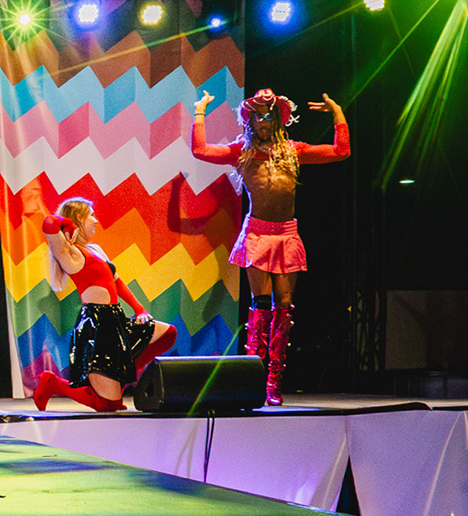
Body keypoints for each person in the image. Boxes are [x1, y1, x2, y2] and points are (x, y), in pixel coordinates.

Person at [191, 87, 348, 404]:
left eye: (269, 115)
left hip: (286, 234)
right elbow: (200, 150)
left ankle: (274, 382)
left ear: (277, 119)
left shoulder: (293, 150)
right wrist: (200, 111)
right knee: (261, 305)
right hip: (257, 235)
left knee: (284, 306)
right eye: (259, 116)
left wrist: (338, 113)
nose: (263, 121)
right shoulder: (243, 152)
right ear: (250, 120)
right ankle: (254, 378)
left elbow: (340, 151)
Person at [29, 198, 177, 413]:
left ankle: (120, 376)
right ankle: (54, 384)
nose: (96, 220)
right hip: (97, 326)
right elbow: (49, 222)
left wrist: (139, 309)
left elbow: (117, 282)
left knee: (167, 333)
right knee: (109, 405)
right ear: (79, 218)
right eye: (91, 215)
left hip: (116, 320)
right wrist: (68, 225)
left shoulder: (95, 249)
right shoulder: (70, 253)